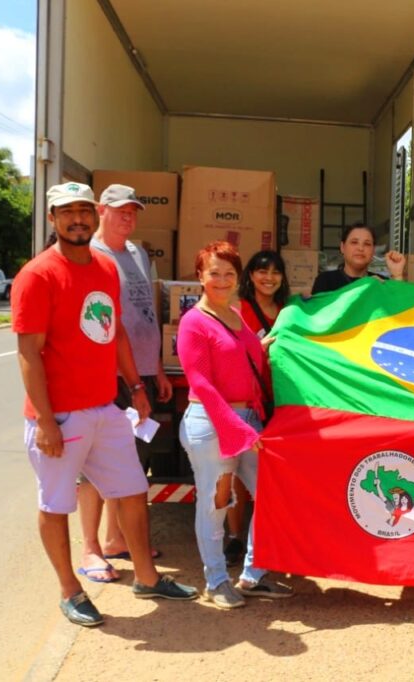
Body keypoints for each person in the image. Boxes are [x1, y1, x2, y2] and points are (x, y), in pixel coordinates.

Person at [12, 182, 198, 627]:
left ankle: (148, 578)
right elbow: (28, 354)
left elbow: (112, 332)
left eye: (83, 210)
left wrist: (136, 386)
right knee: (56, 504)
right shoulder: (37, 275)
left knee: (133, 491)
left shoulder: (105, 267)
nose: (77, 218)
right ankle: (70, 590)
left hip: (106, 408)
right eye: (67, 211)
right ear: (53, 218)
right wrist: (44, 420)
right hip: (60, 414)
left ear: (93, 215)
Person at [177, 241, 295, 608]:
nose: (222, 280)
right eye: (214, 273)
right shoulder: (193, 321)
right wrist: (238, 428)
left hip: (246, 419)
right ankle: (215, 581)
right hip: (212, 423)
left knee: (274, 495)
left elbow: (243, 361)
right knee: (215, 503)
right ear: (200, 276)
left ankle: (252, 574)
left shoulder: (235, 314)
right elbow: (202, 384)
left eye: (229, 273)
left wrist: (264, 349)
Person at [76, 184, 170, 583]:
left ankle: (116, 538)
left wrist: (157, 367)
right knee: (94, 462)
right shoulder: (91, 255)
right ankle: (91, 548)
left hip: (142, 370)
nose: (128, 217)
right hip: (107, 373)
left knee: (130, 459)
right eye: (120, 211)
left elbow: (147, 309)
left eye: (133, 211)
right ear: (101, 210)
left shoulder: (136, 252)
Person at [224, 249, 291, 565]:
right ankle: (235, 537)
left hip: (280, 401)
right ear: (250, 275)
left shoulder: (288, 311)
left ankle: (269, 538)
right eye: (263, 271)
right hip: (247, 402)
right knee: (238, 473)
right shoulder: (238, 309)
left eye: (276, 272)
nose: (269, 278)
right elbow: (230, 354)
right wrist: (260, 347)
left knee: (273, 475)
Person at [311, 224, 405, 294]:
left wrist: (397, 275)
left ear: (373, 251)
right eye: (354, 242)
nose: (360, 248)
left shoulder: (381, 283)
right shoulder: (325, 281)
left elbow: (399, 312)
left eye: (367, 244)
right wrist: (363, 287)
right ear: (342, 247)